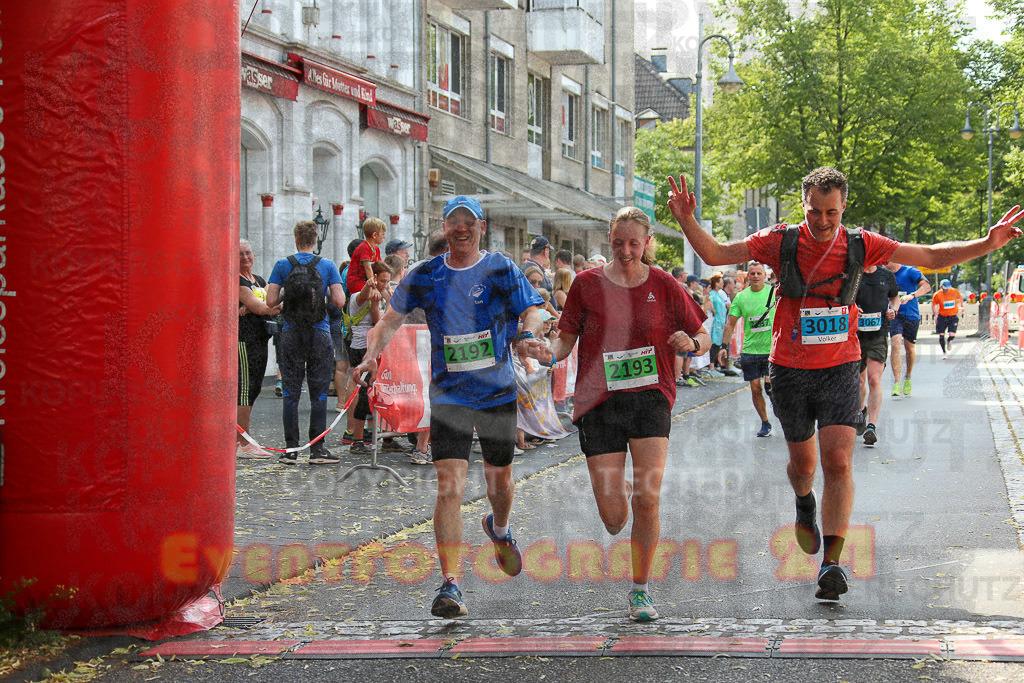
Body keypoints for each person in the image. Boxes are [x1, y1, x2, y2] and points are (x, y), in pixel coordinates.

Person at [668, 166, 1023, 602]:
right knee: (804, 467)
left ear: (844, 207)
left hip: (840, 367)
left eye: (831, 213)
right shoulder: (781, 240)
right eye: (815, 211)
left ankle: (831, 563)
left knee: (837, 463)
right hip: (791, 370)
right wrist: (686, 219)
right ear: (804, 205)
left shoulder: (862, 244)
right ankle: (804, 506)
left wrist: (986, 244)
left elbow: (930, 255)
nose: (822, 221)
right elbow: (718, 254)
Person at [352, 196, 545, 618]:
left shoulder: (500, 268)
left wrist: (528, 334)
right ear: (445, 225)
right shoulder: (426, 274)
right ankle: (451, 584)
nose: (461, 228)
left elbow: (532, 309)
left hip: (495, 393)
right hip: (449, 396)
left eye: (469, 222)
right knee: (449, 487)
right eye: (454, 221)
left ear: (481, 227)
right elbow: (389, 320)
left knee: (500, 486)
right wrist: (371, 355)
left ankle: (500, 529)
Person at [532, 206, 709, 622]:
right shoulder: (587, 285)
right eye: (618, 243)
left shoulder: (665, 285)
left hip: (650, 399)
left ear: (646, 243)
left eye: (633, 243)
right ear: (608, 242)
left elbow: (701, 331)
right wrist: (547, 356)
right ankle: (622, 491)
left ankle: (641, 590)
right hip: (599, 403)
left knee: (649, 499)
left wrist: (694, 345)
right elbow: (565, 342)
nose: (626, 251)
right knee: (614, 519)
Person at [266, 221, 347, 465]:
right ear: (315, 241)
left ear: (296, 239)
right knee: (319, 393)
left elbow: (271, 302)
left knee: (291, 392)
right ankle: (317, 449)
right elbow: (340, 301)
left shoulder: (282, 265)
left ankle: (291, 450)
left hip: (290, 332)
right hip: (319, 333)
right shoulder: (327, 265)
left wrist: (286, 295)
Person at [719, 263, 775, 437]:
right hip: (751, 349)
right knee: (755, 388)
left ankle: (782, 409)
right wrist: (723, 346)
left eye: (759, 273)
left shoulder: (774, 293)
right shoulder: (741, 297)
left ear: (764, 275)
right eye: (753, 273)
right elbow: (730, 323)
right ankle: (765, 422)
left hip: (772, 349)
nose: (756, 276)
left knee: (770, 385)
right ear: (748, 276)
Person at [237, 239, 282, 458]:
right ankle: (242, 443)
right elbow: (262, 307)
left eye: (248, 253)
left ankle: (244, 436)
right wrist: (260, 306)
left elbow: (272, 299)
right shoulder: (236, 281)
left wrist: (266, 306)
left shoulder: (258, 279)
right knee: (244, 391)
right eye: (240, 254)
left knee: (253, 389)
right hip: (244, 342)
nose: (245, 258)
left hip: (260, 340)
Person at [343, 261, 393, 454]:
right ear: (373, 279)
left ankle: (378, 435)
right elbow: (379, 321)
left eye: (387, 281)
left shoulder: (380, 296)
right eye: (382, 281)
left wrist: (386, 298)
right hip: (362, 347)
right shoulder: (360, 296)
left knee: (378, 392)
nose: (385, 285)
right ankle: (357, 439)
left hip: (376, 346)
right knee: (363, 394)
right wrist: (373, 291)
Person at [854, 265, 900, 446]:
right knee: (859, 381)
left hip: (878, 334)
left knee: (874, 379)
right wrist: (853, 308)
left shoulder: (886, 275)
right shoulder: (853, 273)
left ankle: (871, 426)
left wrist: (893, 310)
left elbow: (895, 298)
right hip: (855, 336)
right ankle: (861, 410)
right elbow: (842, 299)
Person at [886, 262, 930, 396]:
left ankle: (908, 377)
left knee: (909, 348)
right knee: (895, 343)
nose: (883, 262)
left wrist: (912, 296)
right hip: (894, 314)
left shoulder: (910, 271)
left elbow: (926, 287)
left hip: (911, 314)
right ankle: (897, 383)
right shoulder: (884, 274)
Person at [346, 217, 387, 295]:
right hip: (357, 281)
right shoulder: (364, 247)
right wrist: (374, 287)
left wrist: (387, 286)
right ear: (374, 235)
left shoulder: (376, 249)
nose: (384, 237)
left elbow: (381, 268)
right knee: (374, 294)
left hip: (366, 280)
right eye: (383, 234)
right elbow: (368, 268)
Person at [931, 278, 963, 359]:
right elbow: (934, 305)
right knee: (941, 335)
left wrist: (961, 306)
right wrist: (935, 315)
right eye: (944, 289)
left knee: (952, 334)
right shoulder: (937, 295)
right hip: (942, 316)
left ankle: (949, 340)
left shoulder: (954, 291)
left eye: (947, 288)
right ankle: (944, 352)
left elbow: (960, 297)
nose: (946, 290)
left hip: (953, 315)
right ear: (941, 287)